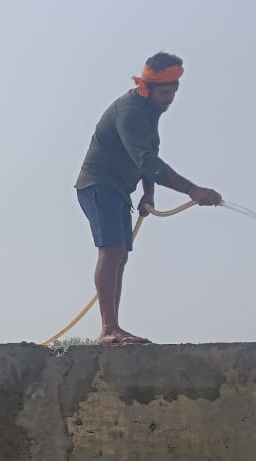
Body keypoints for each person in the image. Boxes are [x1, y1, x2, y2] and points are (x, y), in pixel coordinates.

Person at [74, 52, 223, 345]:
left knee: (121, 255)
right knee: (112, 251)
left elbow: (148, 156)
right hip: (98, 185)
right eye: (165, 93)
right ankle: (108, 329)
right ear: (148, 87)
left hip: (119, 190)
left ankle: (113, 326)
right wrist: (193, 190)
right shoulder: (130, 111)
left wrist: (149, 193)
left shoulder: (149, 113)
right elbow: (146, 161)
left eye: (173, 93)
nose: (169, 99)